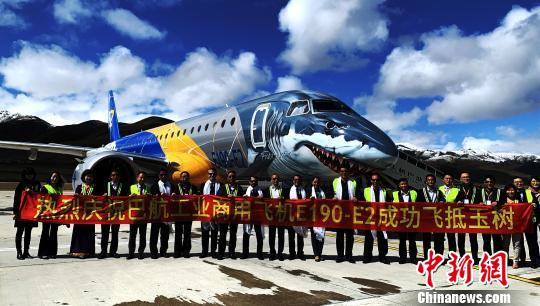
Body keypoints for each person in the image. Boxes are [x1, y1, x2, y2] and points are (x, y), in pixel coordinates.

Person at [150, 168, 178, 259]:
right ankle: (154, 252)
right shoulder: (154, 186)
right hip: (157, 214)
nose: (163, 176)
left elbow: (176, 198)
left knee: (165, 235)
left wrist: (174, 195)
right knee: (154, 234)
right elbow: (150, 199)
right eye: (161, 175)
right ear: (159, 176)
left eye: (165, 175)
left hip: (167, 214)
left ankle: (163, 251)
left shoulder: (172, 186)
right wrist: (157, 196)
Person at [361, 172, 389, 264]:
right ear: (371, 181)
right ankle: (367, 257)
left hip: (381, 218)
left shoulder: (384, 191)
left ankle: (382, 257)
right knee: (369, 239)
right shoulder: (366, 190)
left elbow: (388, 204)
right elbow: (361, 203)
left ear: (379, 181)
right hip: (370, 218)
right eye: (373, 180)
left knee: (382, 239)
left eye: (377, 180)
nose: (375, 181)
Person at [13, 167, 41, 260]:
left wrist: (32, 192)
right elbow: (16, 199)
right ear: (24, 175)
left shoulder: (37, 184)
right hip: (22, 212)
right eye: (28, 174)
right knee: (19, 232)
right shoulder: (21, 185)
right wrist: (15, 212)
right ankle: (19, 252)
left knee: (28, 233)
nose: (29, 176)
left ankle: (26, 252)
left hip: (32, 212)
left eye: (31, 174)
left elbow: (39, 196)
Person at [99, 169, 128, 259]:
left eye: (117, 175)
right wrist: (102, 196)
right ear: (110, 177)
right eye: (113, 175)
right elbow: (98, 197)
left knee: (115, 233)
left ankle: (113, 251)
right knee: (105, 233)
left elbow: (126, 197)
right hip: (106, 213)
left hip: (117, 213)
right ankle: (103, 251)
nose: (115, 177)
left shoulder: (123, 186)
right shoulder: (105, 185)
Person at [70, 170, 98, 259]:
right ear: (84, 177)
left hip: (90, 214)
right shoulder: (79, 187)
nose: (88, 177)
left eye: (90, 176)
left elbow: (100, 199)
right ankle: (76, 251)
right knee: (78, 232)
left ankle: (88, 251)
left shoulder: (95, 187)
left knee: (89, 232)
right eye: (87, 176)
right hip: (80, 214)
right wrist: (76, 195)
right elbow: (75, 197)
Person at [332, 165, 357, 263]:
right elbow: (332, 193)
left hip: (350, 212)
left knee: (350, 236)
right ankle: (340, 255)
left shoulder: (353, 183)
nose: (344, 173)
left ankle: (349, 255)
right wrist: (333, 197)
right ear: (339, 172)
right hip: (339, 212)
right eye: (342, 171)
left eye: (346, 171)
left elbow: (356, 194)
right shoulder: (335, 182)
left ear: (348, 172)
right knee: (340, 235)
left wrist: (355, 197)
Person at [38, 171, 65, 259]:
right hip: (46, 213)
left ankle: (52, 252)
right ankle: (42, 252)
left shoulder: (59, 189)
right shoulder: (45, 187)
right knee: (45, 232)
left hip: (56, 214)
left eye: (56, 177)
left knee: (54, 232)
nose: (54, 178)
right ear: (50, 177)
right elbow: (40, 200)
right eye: (53, 177)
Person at [417, 174, 446, 258]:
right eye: (429, 180)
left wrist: (442, 202)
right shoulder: (420, 192)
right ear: (426, 181)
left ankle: (438, 256)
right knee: (426, 239)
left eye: (432, 180)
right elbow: (417, 205)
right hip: (426, 219)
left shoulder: (438, 192)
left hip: (437, 219)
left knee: (439, 238)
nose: (430, 181)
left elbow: (443, 201)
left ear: (434, 181)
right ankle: (427, 257)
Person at [514, 176, 539, 268]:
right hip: (517, 222)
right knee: (519, 242)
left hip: (530, 221)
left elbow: (537, 205)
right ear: (513, 184)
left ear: (523, 183)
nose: (519, 184)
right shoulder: (511, 193)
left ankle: (535, 260)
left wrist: (535, 205)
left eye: (520, 182)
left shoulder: (529, 192)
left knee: (532, 241)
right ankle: (522, 260)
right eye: (516, 182)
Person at [455, 171, 480, 264]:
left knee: (473, 238)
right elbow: (452, 201)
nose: (466, 178)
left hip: (472, 217)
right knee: (461, 238)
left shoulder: (476, 189)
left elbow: (480, 201)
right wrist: (457, 202)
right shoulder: (456, 189)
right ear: (461, 179)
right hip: (460, 217)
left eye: (468, 177)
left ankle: (475, 257)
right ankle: (462, 257)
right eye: (464, 177)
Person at [392, 178, 418, 264]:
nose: (403, 185)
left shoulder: (414, 193)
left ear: (408, 184)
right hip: (401, 220)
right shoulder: (394, 194)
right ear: (399, 186)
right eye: (402, 184)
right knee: (402, 240)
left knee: (412, 240)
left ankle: (413, 257)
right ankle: (402, 258)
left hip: (411, 220)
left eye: (405, 184)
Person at [218, 170, 243, 259]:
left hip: (234, 214)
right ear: (227, 178)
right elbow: (217, 198)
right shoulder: (223, 187)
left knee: (233, 234)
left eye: (233, 176)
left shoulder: (239, 188)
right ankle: (221, 252)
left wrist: (236, 197)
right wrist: (226, 197)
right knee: (222, 234)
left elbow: (242, 199)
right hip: (224, 214)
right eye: (230, 176)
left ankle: (231, 252)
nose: (231, 178)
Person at [200, 168, 224, 258]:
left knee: (214, 232)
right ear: (207, 175)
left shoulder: (221, 185)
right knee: (205, 232)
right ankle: (204, 251)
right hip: (205, 212)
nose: (212, 175)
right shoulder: (203, 185)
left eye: (213, 174)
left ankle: (213, 251)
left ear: (216, 174)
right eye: (210, 174)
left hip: (216, 212)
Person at [175, 171, 198, 258]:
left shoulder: (193, 187)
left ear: (189, 178)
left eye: (186, 176)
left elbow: (198, 198)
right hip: (178, 214)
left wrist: (196, 196)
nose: (185, 178)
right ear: (180, 178)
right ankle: (177, 251)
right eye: (183, 176)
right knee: (178, 233)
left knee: (187, 233)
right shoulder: (176, 187)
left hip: (189, 214)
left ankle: (186, 251)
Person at [502, 184, 525, 269]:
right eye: (508, 190)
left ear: (515, 191)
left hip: (517, 225)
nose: (510, 192)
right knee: (505, 244)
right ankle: (505, 260)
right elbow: (497, 210)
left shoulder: (519, 199)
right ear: (506, 191)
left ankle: (516, 261)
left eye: (512, 190)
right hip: (505, 225)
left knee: (517, 243)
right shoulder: (502, 199)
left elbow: (524, 209)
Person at [127, 171, 149, 260]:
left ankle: (141, 252)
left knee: (142, 235)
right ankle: (131, 253)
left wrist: (149, 196)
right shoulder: (132, 187)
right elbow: (126, 199)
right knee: (132, 235)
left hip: (143, 215)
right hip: (134, 215)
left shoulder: (147, 188)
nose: (142, 179)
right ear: (137, 178)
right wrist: (130, 196)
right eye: (140, 177)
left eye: (143, 177)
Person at [242, 176, 264, 260]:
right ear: (249, 182)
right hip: (248, 215)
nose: (253, 182)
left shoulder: (261, 191)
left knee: (259, 235)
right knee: (246, 233)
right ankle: (245, 253)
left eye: (255, 181)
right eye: (252, 181)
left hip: (257, 215)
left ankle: (259, 253)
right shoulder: (246, 190)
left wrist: (261, 199)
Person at [479, 175, 503, 253]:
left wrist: (498, 202)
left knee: (497, 240)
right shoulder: (479, 191)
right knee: (486, 240)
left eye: (491, 182)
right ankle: (487, 258)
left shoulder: (499, 191)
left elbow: (505, 202)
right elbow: (474, 202)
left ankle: (497, 258)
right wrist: (479, 203)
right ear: (484, 183)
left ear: (494, 183)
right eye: (487, 182)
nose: (489, 183)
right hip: (484, 220)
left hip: (496, 219)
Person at [287, 174, 307, 260]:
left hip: (301, 216)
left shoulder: (303, 190)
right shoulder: (289, 190)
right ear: (293, 180)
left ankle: (300, 253)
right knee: (291, 237)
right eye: (295, 179)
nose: (297, 181)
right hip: (292, 216)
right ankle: (292, 253)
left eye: (298, 179)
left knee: (300, 236)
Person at [266, 173, 285, 261]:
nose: (275, 180)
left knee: (281, 235)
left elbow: (288, 201)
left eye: (277, 179)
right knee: (271, 235)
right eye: (273, 179)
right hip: (271, 216)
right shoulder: (267, 190)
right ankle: (272, 252)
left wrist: (283, 198)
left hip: (281, 215)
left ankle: (280, 253)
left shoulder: (283, 190)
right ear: (271, 180)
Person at [439, 173, 459, 255]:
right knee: (440, 237)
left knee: (451, 237)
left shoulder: (457, 190)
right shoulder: (439, 189)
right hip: (441, 216)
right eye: (446, 178)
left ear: (452, 180)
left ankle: (452, 256)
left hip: (451, 216)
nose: (448, 180)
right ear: (443, 180)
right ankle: (439, 255)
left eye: (450, 178)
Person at [309, 176, 326, 262]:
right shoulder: (309, 191)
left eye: (317, 182)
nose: (316, 183)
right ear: (312, 183)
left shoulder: (322, 192)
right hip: (313, 216)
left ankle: (320, 253)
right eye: (315, 182)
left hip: (322, 216)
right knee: (314, 235)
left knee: (322, 235)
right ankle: (316, 254)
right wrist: (310, 200)